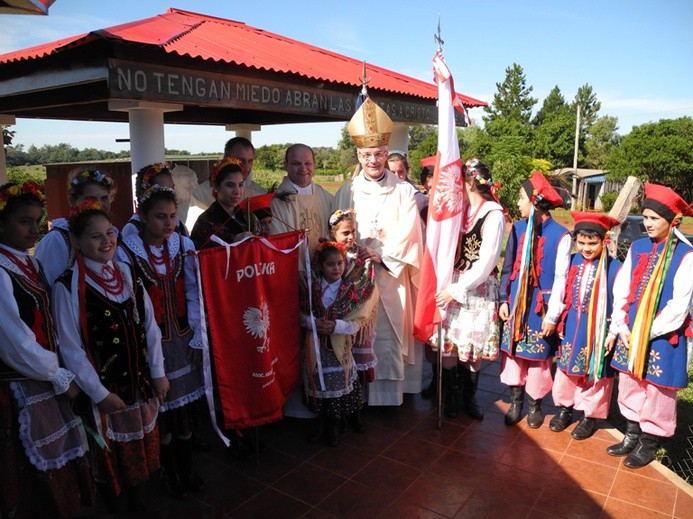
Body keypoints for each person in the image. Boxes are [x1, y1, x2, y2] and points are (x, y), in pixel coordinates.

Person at [52, 199, 169, 513]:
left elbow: (150, 327)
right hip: (105, 390)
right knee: (109, 458)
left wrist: (157, 371)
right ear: (76, 241)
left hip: (138, 382)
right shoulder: (67, 287)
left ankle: (136, 500)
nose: (106, 241)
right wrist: (100, 394)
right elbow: (71, 348)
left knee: (138, 455)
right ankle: (118, 506)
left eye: (109, 233)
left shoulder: (127, 274)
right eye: (96, 236)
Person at [0, 182, 93, 518]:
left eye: (37, 220)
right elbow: (15, 342)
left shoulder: (28, 264)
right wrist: (59, 375)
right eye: (24, 221)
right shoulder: (1, 270)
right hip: (20, 384)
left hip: (45, 377)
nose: (33, 228)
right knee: (30, 476)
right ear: (1, 224)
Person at [333, 97, 424, 406]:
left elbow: (412, 231)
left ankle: (389, 397)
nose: (373, 160)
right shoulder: (348, 190)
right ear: (359, 155)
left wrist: (381, 254)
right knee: (359, 334)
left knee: (388, 336)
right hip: (356, 275)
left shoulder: (403, 190)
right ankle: (358, 394)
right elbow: (336, 230)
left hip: (390, 275)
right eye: (367, 154)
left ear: (387, 153)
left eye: (378, 154)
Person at [118, 185, 206, 496]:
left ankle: (186, 469)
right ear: (141, 215)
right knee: (162, 414)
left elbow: (195, 292)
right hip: (152, 348)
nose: (168, 223)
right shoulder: (126, 251)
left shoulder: (183, 245)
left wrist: (198, 336)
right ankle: (169, 472)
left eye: (172, 216)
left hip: (183, 342)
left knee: (184, 415)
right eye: (159, 217)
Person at [605, 183, 693, 468]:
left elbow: (678, 307)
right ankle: (631, 434)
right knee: (630, 382)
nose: (648, 223)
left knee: (657, 390)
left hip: (662, 335)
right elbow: (622, 287)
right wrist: (620, 323)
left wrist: (646, 331)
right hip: (631, 331)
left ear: (672, 220)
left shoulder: (686, 255)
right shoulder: (639, 246)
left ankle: (650, 442)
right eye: (645, 217)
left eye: (655, 218)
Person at [429, 158, 505, 420]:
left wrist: (458, 288)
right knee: (448, 345)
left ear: (470, 183)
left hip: (476, 288)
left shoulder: (493, 214)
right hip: (453, 283)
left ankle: (468, 396)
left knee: (472, 349)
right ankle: (451, 396)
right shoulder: (459, 209)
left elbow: (487, 261)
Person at [498, 170, 571, 428]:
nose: (517, 204)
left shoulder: (561, 235)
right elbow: (507, 268)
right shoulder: (517, 229)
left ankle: (534, 405)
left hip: (540, 309)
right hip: (517, 303)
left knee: (539, 359)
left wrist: (552, 316)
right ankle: (515, 403)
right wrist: (503, 300)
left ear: (535, 202)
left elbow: (562, 278)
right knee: (515, 354)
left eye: (521, 198)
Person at [550, 211, 622, 440]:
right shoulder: (572, 262)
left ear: (604, 241)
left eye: (592, 243)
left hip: (599, 330)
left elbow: (620, 301)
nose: (586, 248)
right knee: (566, 368)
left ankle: (590, 416)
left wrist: (612, 332)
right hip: (573, 324)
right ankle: (564, 408)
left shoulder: (615, 268)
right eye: (581, 242)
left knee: (596, 372)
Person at [300, 241, 376, 446]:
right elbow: (300, 314)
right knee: (321, 385)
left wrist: (335, 326)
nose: (336, 268)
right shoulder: (311, 289)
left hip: (339, 347)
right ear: (321, 266)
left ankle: (337, 424)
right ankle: (323, 423)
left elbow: (357, 321)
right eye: (330, 264)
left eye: (340, 263)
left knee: (340, 383)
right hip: (316, 347)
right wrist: (313, 323)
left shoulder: (349, 290)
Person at [328, 209, 379, 410]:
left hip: (356, 319)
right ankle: (341, 408)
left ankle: (356, 408)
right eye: (345, 233)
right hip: (335, 317)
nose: (351, 236)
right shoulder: (327, 254)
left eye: (353, 231)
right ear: (334, 233)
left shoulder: (362, 256)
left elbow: (367, 286)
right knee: (340, 366)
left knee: (356, 365)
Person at [34, 167, 117, 285]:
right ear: (72, 200)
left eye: (104, 198)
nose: (99, 205)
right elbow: (50, 287)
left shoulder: (112, 234)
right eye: (91, 199)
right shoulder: (57, 240)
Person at [270, 143, 334, 254]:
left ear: (314, 165)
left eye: (308, 163)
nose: (303, 169)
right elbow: (277, 241)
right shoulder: (276, 201)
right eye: (296, 164)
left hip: (324, 268)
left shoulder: (326, 197)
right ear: (286, 165)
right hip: (292, 267)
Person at [190, 157, 255, 249]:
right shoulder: (204, 223)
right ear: (216, 186)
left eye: (240, 185)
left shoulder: (249, 217)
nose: (237, 191)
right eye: (230, 185)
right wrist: (232, 241)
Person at [191, 136, 266, 210]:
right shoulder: (199, 195)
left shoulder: (260, 194)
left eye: (250, 161)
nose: (247, 168)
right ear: (225, 159)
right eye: (240, 160)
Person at [121, 162, 188, 238]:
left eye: (172, 189)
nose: (168, 194)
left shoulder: (178, 224)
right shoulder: (132, 228)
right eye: (162, 190)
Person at [387, 150, 428, 216]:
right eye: (392, 172)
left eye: (400, 172)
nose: (396, 176)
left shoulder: (417, 198)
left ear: (406, 171)